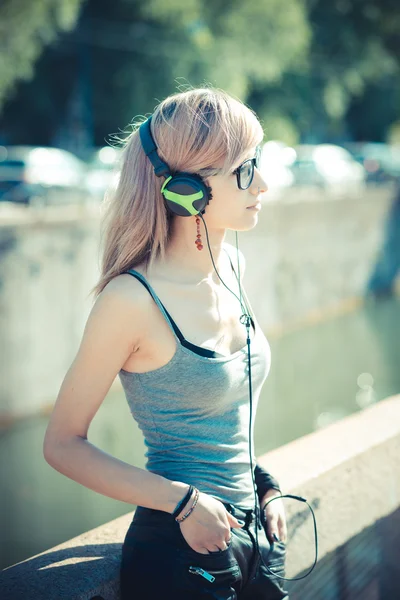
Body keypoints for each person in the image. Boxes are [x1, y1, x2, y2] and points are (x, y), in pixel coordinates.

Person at [43, 86, 288, 599]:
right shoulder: (131, 300)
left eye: (257, 163)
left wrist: (262, 484)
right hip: (180, 550)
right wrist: (183, 504)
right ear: (186, 190)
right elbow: (62, 444)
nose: (262, 184)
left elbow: (222, 416)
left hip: (255, 537)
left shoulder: (233, 267)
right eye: (244, 170)